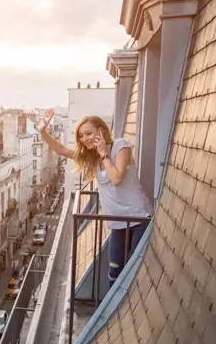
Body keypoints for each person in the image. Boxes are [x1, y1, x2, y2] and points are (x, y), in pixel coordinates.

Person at [38, 112, 152, 289]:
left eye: (88, 133)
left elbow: (116, 179)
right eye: (81, 136)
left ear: (101, 131)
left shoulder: (121, 147)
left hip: (139, 218)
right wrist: (43, 132)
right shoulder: (91, 157)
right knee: (114, 272)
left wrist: (104, 154)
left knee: (133, 273)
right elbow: (62, 150)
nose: (84, 139)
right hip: (117, 222)